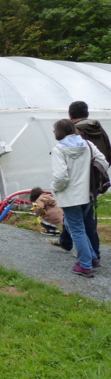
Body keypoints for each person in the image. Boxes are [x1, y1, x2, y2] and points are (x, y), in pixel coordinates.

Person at [51, 119, 108, 278]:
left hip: (70, 196)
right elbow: (102, 162)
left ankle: (85, 265)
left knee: (76, 230)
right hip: (88, 194)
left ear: (59, 132)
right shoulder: (88, 145)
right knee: (77, 226)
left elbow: (61, 176)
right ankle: (92, 258)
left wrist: (55, 188)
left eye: (54, 130)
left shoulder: (59, 149)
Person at [68, 100, 111, 260]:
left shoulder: (75, 132)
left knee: (82, 219)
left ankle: (92, 254)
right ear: (87, 113)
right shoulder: (99, 128)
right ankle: (68, 242)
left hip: (81, 181)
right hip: (97, 178)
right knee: (83, 215)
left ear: (70, 115)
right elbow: (108, 152)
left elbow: (73, 158)